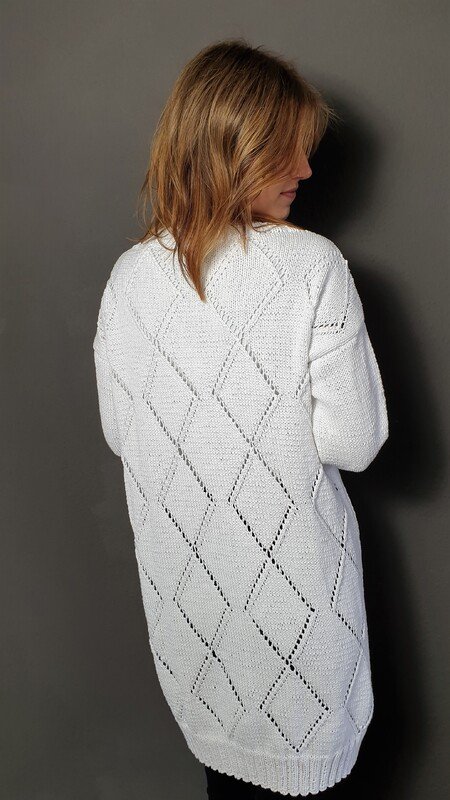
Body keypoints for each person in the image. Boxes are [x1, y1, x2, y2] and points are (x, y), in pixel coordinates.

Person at [92, 39, 389, 798]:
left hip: (196, 631)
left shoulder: (127, 278)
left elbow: (122, 434)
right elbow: (355, 442)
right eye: (286, 150)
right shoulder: (312, 265)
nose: (307, 170)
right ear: (233, 146)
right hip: (298, 630)